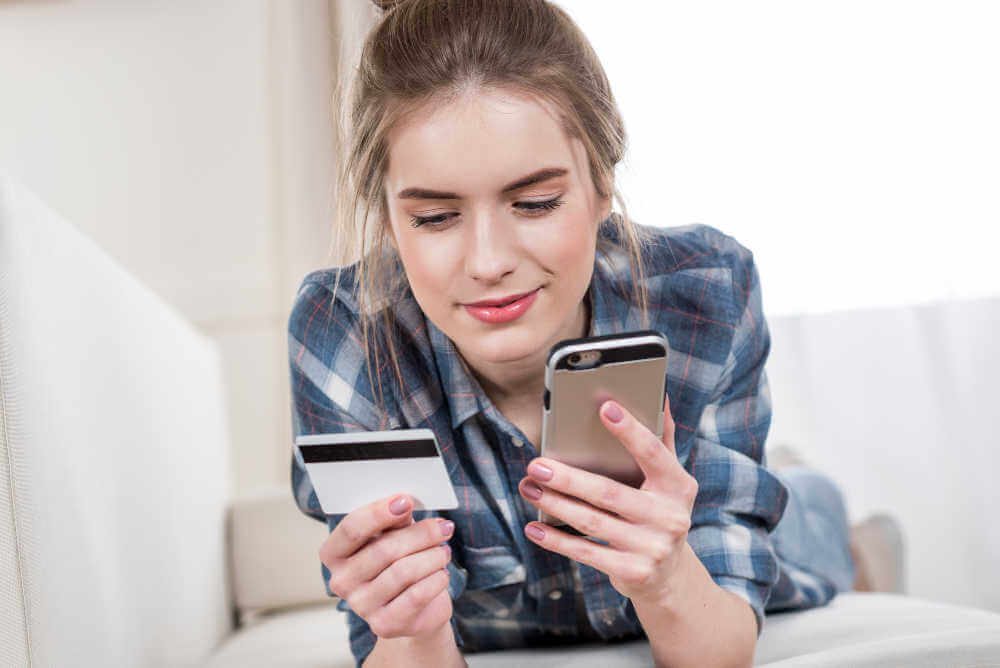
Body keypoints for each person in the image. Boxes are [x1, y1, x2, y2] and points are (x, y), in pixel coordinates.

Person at [287, 0, 856, 665]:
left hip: (738, 561)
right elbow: (386, 647)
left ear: (601, 183)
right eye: (436, 217)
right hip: (496, 624)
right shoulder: (343, 330)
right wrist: (410, 626)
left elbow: (720, 651)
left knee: (809, 518)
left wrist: (666, 572)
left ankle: (832, 512)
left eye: (534, 203)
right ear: (387, 220)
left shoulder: (708, 288)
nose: (489, 261)